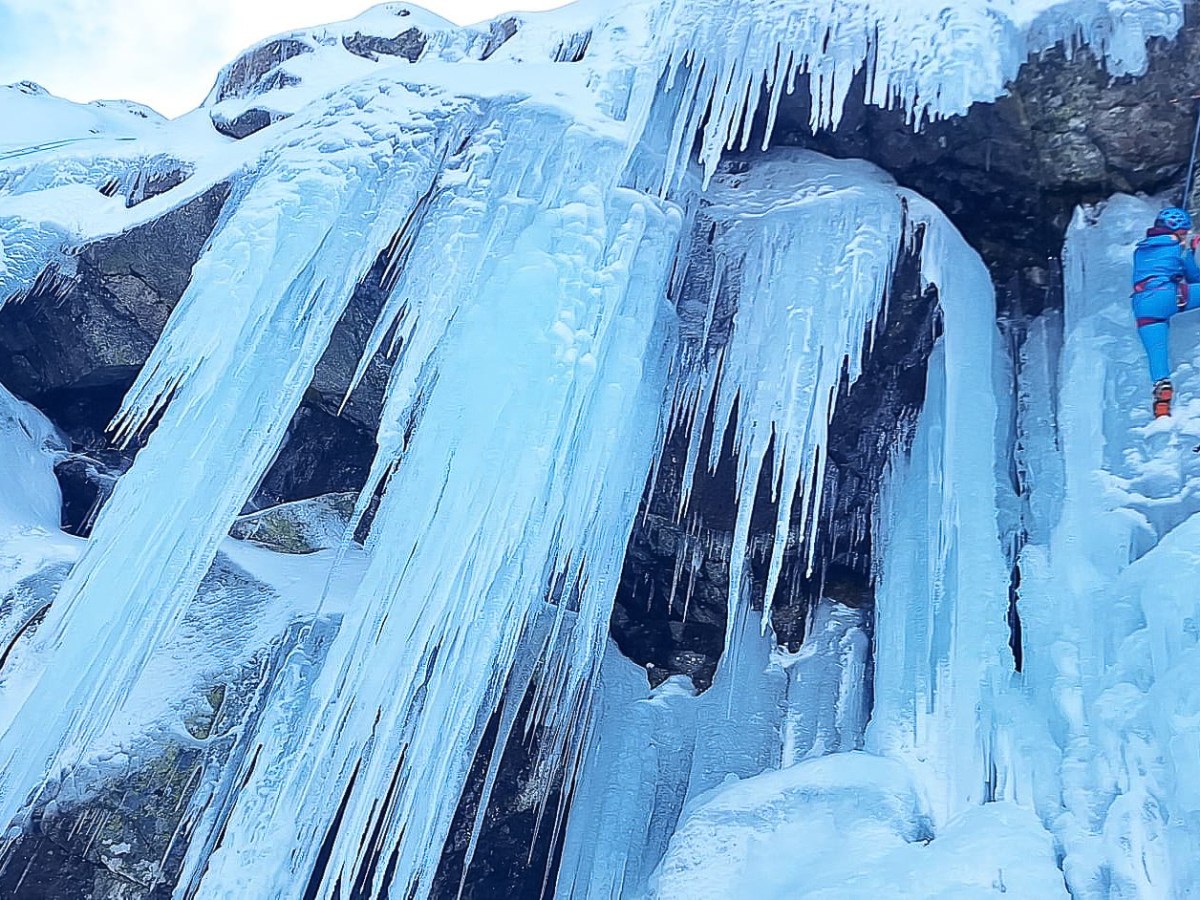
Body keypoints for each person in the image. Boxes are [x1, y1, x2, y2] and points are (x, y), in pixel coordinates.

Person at [1131, 206, 1200, 417]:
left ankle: (1162, 394)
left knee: (1156, 352)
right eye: (1185, 231)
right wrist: (1191, 251)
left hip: (1142, 305)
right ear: (1179, 231)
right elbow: (1194, 277)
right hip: (1167, 296)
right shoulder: (1177, 247)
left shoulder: (1141, 249)